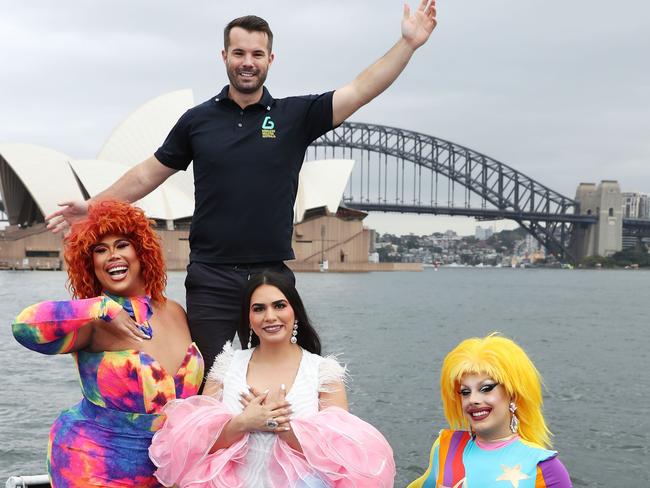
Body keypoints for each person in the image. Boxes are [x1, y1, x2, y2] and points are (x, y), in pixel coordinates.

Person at [45, 3, 438, 376]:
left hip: (271, 275)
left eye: (257, 53)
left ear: (270, 59)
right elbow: (150, 172)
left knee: (279, 378)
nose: (247, 62)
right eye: (239, 53)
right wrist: (94, 207)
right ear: (224, 56)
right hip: (211, 277)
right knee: (204, 380)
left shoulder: (295, 116)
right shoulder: (197, 121)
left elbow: (359, 90)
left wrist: (407, 44)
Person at [12, 200, 204, 488]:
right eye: (100, 250)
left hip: (169, 469)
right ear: (90, 264)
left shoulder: (175, 311)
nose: (112, 256)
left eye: (122, 244)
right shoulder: (93, 321)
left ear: (142, 251)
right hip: (94, 465)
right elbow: (24, 326)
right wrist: (101, 307)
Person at [148, 271, 395, 487]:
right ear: (248, 318)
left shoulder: (323, 372)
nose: (270, 316)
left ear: (295, 311)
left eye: (279, 306)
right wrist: (243, 423)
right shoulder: (226, 367)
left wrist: (284, 429)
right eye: (259, 308)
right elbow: (196, 446)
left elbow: (341, 456)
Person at [408, 334, 572, 488]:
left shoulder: (543, 467)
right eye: (465, 392)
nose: (473, 399)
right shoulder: (446, 447)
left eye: (486, 388)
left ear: (512, 393)